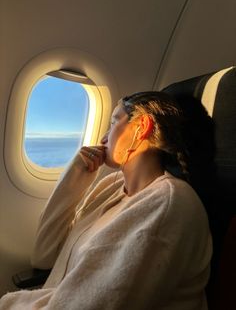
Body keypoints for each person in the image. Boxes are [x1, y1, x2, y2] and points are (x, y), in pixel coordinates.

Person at [0, 91, 213, 310]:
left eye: (112, 124)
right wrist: (76, 174)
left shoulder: (167, 204)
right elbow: (44, 256)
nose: (103, 138)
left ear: (142, 127)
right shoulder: (112, 187)